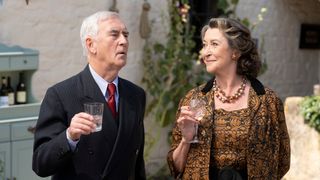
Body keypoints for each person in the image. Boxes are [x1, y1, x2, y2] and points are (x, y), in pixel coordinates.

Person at [167, 18, 290, 180]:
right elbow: (176, 168)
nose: (206, 52)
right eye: (204, 45)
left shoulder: (268, 102)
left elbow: (282, 161)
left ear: (236, 52)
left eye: (214, 44)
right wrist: (186, 139)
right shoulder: (193, 99)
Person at [32, 11, 146, 180]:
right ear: (91, 44)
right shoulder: (60, 95)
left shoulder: (135, 95)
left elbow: (136, 162)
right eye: (114, 34)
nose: (124, 41)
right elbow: (40, 164)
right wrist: (69, 136)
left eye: (126, 35)